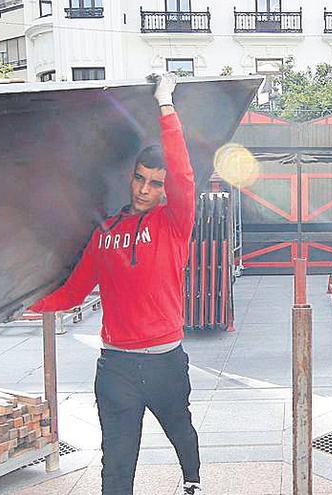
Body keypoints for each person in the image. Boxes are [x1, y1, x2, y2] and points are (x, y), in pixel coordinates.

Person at [31, 73, 202, 495]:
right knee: (117, 464)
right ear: (131, 176)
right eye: (140, 178)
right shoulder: (105, 231)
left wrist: (165, 105)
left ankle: (193, 480)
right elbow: (73, 293)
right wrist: (21, 306)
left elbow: (183, 174)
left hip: (165, 362)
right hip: (116, 367)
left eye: (156, 183)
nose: (145, 189)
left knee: (180, 428)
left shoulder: (174, 223)